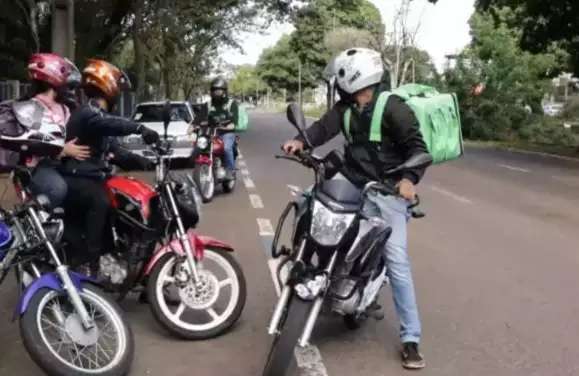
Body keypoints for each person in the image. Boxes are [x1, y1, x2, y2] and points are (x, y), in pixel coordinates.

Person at [282, 48, 429, 370]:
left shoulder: (394, 108)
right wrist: (300, 141)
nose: (336, 82)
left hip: (386, 192)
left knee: (397, 259)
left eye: (340, 76)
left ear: (355, 76)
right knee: (308, 203)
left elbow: (418, 149)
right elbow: (322, 129)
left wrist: (408, 179)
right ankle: (304, 273)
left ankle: (411, 337)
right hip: (350, 181)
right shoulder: (346, 108)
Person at [60, 58, 159, 274]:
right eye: (118, 87)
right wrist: (139, 127)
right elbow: (110, 124)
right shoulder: (88, 113)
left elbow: (116, 152)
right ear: (107, 85)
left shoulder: (99, 116)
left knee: (129, 202)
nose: (119, 93)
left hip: (92, 177)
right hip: (77, 178)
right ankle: (91, 262)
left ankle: (133, 265)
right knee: (100, 200)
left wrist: (148, 162)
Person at [0, 53, 90, 207]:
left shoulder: (65, 109)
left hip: (62, 165)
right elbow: (29, 143)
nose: (71, 88)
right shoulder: (28, 109)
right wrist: (62, 150)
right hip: (34, 167)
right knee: (56, 188)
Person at [207, 77, 239, 180]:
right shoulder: (208, 104)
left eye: (219, 90)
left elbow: (234, 122)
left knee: (226, 148)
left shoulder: (231, 103)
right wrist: (193, 126)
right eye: (214, 90)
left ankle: (230, 170)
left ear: (224, 91)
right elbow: (199, 117)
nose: (217, 92)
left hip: (227, 133)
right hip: (213, 132)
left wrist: (228, 126)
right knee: (201, 147)